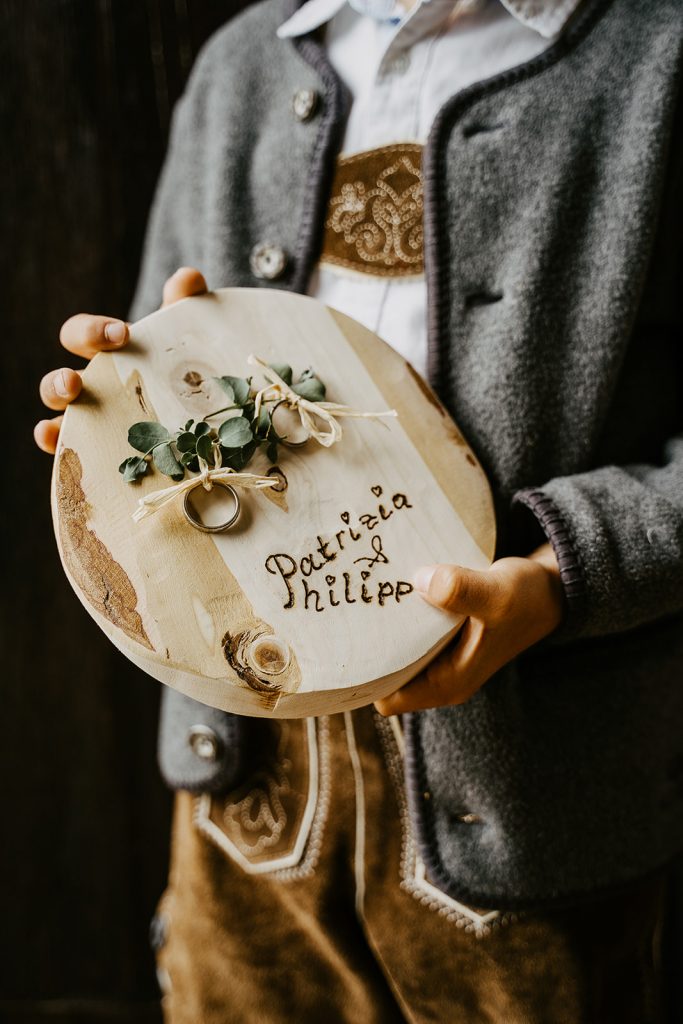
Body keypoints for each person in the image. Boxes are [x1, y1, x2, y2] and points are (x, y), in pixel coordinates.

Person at [35, 0, 682, 1020]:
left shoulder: (656, 58)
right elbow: (152, 346)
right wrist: (117, 409)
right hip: (240, 785)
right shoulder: (241, 64)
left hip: (537, 804)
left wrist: (566, 575)